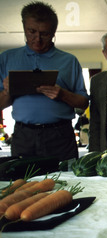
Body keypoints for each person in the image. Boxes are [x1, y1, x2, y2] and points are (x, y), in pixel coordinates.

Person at [0, 1, 89, 161]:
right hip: (23, 136)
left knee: (68, 182)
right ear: (23, 27)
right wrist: (8, 91)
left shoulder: (69, 61)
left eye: (45, 33)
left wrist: (62, 94)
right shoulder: (6, 59)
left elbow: (83, 103)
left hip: (60, 136)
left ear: (54, 32)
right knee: (22, 184)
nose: (37, 39)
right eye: (31, 31)